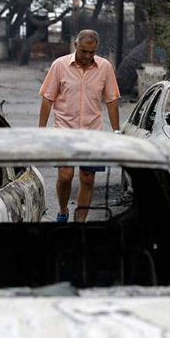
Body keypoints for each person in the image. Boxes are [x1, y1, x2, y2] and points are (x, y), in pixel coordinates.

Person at [38, 29, 121, 222]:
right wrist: (40, 131)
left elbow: (111, 100)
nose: (87, 56)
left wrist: (116, 131)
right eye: (84, 51)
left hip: (92, 134)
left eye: (92, 52)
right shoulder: (59, 66)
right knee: (66, 175)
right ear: (76, 46)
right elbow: (47, 99)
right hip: (64, 132)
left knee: (88, 178)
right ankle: (63, 209)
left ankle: (80, 223)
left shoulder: (105, 67)